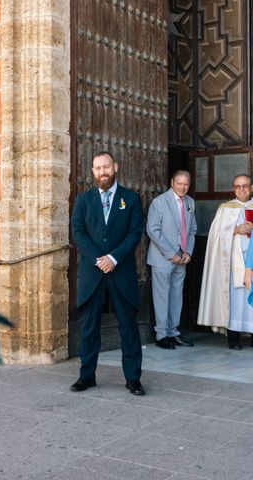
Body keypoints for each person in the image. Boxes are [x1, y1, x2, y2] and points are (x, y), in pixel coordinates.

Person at [70, 151, 145, 396]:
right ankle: (86, 376)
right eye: (97, 168)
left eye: (106, 166)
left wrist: (113, 258)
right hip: (93, 274)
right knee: (89, 327)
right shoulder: (83, 200)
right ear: (93, 171)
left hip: (120, 271)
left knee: (128, 328)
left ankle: (133, 378)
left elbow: (135, 233)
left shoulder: (131, 199)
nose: (102, 171)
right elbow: (78, 233)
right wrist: (98, 259)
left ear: (115, 167)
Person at [199, 174, 253, 349]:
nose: (242, 189)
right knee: (235, 302)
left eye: (245, 186)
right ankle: (234, 339)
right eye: (238, 186)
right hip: (233, 264)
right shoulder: (225, 209)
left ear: (251, 187)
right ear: (233, 188)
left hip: (251, 261)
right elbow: (216, 236)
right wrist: (235, 230)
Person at [146, 170, 197, 349]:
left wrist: (188, 252)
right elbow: (153, 230)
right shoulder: (159, 202)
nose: (182, 187)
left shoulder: (190, 202)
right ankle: (161, 335)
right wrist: (171, 253)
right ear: (172, 182)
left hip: (182, 259)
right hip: (163, 259)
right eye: (179, 183)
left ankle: (174, 333)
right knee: (161, 297)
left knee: (176, 297)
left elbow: (191, 230)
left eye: (186, 184)